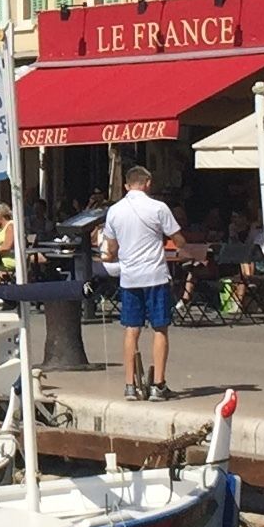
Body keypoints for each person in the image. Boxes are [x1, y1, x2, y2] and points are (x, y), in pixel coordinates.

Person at [100, 165, 181, 402]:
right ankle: (158, 385)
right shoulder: (158, 208)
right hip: (155, 275)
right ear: (148, 183)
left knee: (131, 329)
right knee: (160, 328)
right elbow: (177, 237)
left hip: (130, 277)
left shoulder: (114, 211)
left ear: (126, 185)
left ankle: (129, 385)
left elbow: (112, 248)